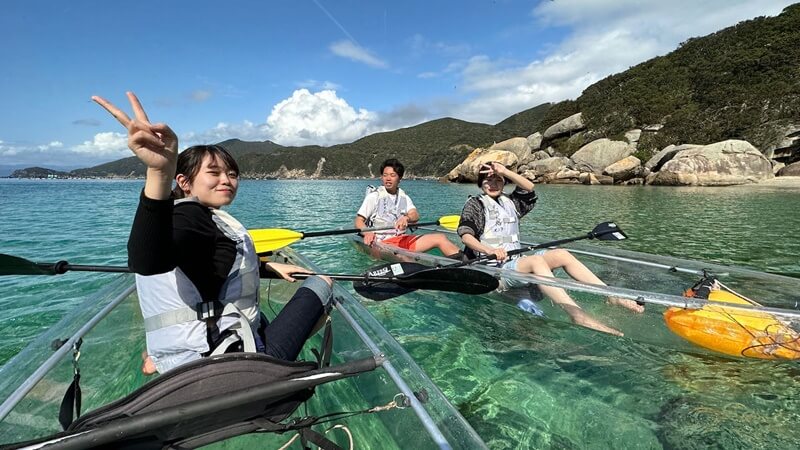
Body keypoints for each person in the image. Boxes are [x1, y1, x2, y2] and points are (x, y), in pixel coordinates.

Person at [93, 92, 332, 375]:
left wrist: (264, 265)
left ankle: (154, 359)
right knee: (322, 283)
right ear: (184, 181)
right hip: (231, 367)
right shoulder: (190, 217)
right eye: (214, 172)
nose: (226, 180)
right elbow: (147, 262)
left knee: (252, 314)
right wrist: (158, 174)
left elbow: (208, 265)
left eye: (232, 173)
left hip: (181, 360)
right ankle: (281, 368)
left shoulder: (192, 216)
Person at [457, 162, 644, 336]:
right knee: (536, 260)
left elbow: (529, 187)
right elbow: (466, 235)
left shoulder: (511, 203)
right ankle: (578, 315)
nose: (493, 184)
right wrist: (488, 249)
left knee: (561, 254)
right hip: (493, 271)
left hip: (514, 265)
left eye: (498, 180)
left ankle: (610, 295)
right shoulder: (475, 204)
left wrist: (504, 170)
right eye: (488, 180)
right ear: (481, 184)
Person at [355, 158, 462, 257]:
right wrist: (367, 232)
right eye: (385, 175)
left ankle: (467, 263)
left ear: (400, 178)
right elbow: (359, 221)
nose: (388, 179)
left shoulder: (404, 197)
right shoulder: (374, 196)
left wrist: (406, 218)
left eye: (392, 175)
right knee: (404, 256)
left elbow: (415, 215)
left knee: (440, 238)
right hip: (382, 243)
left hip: (401, 239)